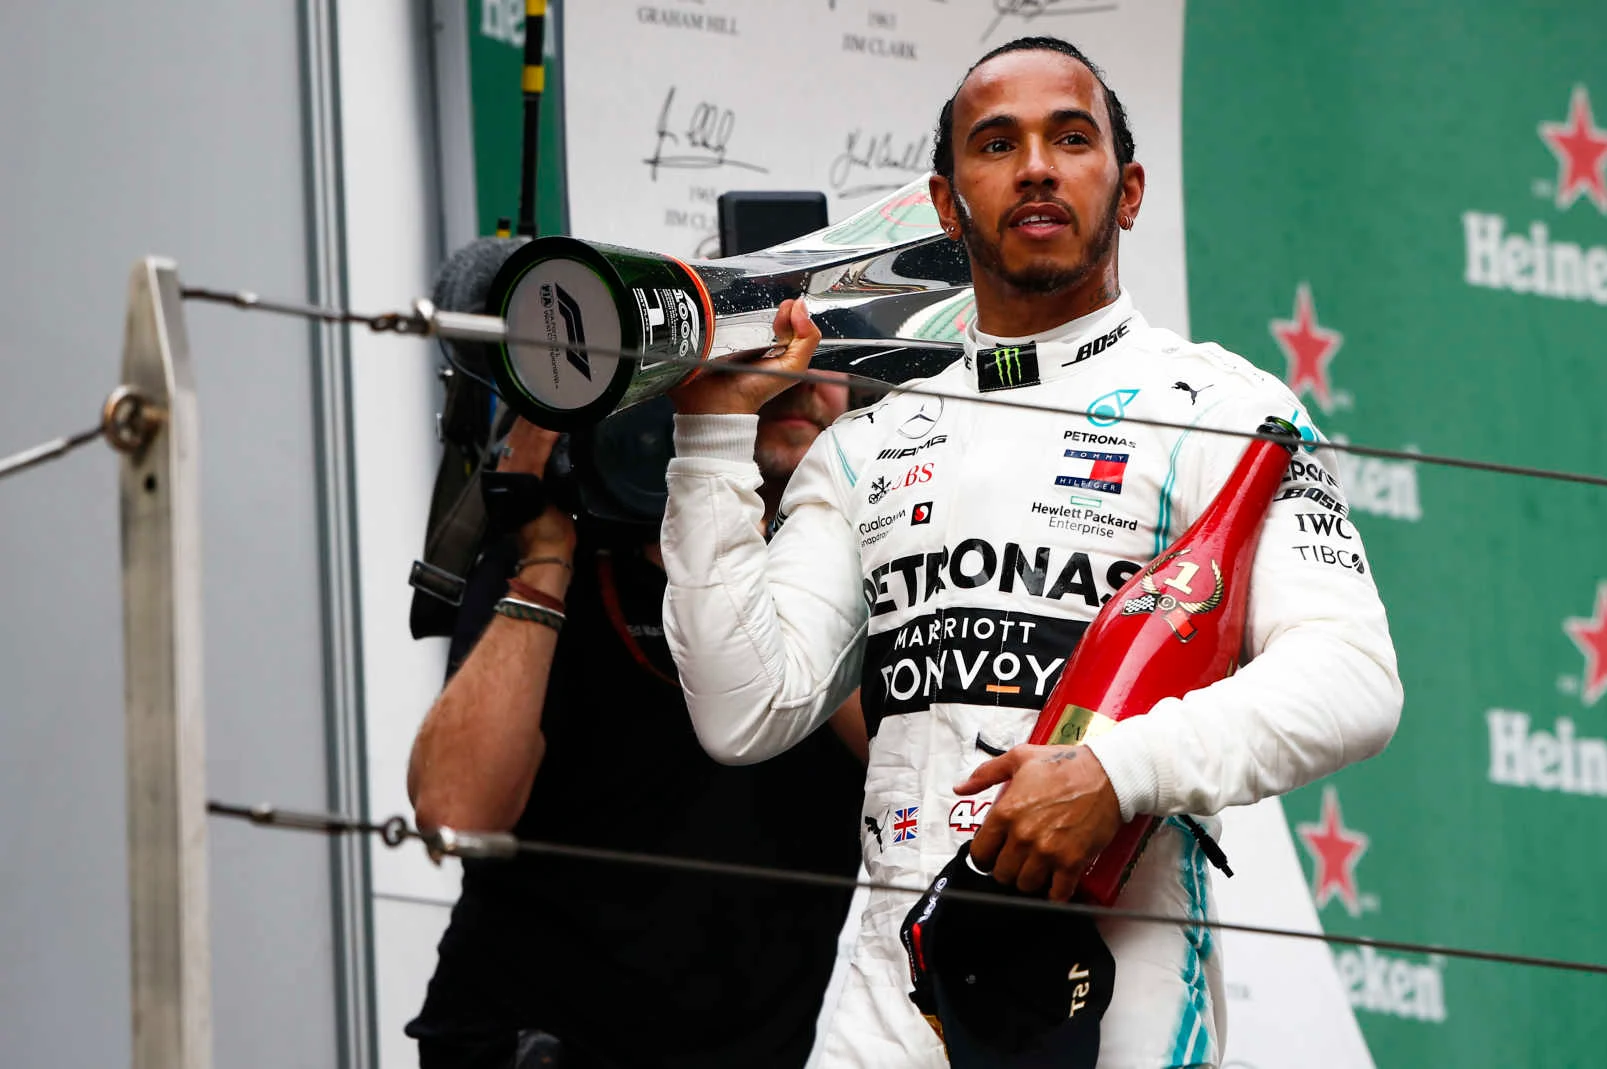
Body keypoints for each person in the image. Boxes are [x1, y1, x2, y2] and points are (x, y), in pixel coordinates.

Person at [659, 36, 1404, 1069]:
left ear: (1129, 190)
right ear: (945, 202)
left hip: (1115, 984)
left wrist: (1114, 771)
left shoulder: (1225, 408)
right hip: (889, 1001)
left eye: (1072, 138)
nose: (1038, 167)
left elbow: (1353, 678)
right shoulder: (869, 443)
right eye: (998, 143)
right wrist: (708, 440)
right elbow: (743, 709)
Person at [402, 377, 867, 1069]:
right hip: (524, 1043)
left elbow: (920, 765)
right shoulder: (573, 541)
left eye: (823, 352)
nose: (798, 378)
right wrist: (544, 553)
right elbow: (457, 810)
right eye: (761, 352)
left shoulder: (871, 566)